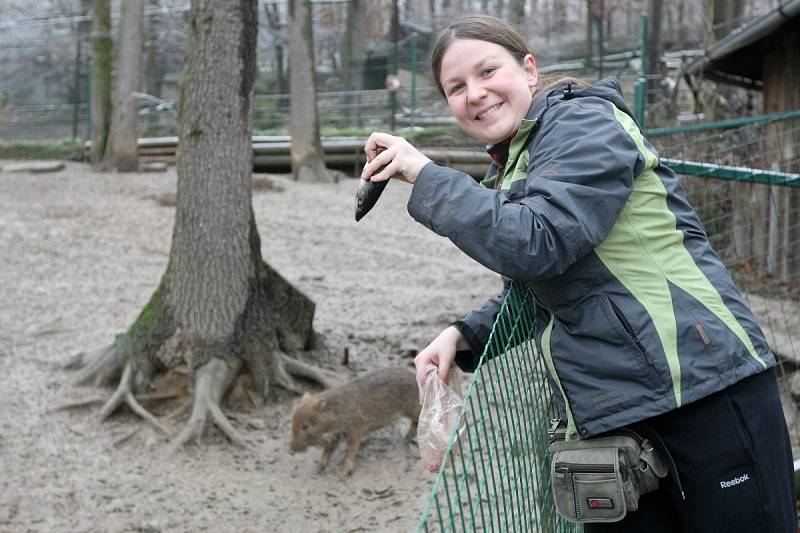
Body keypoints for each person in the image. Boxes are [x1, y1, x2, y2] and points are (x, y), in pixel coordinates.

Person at [359, 14, 796, 533]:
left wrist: (427, 175)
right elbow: (565, 281)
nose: (474, 93)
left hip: (702, 387)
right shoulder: (515, 164)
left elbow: (538, 242)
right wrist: (465, 333)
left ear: (528, 70)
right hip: (615, 414)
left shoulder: (584, 122)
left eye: (486, 71)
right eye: (456, 87)